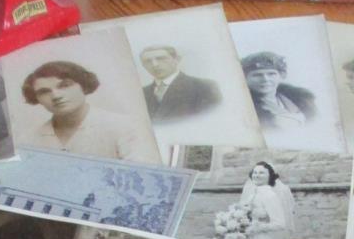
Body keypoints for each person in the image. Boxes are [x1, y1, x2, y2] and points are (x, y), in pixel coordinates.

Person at [19, 60, 159, 162]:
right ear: (36, 98)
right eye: (44, 92)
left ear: (83, 86)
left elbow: (144, 179)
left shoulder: (126, 126)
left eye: (65, 86)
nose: (56, 96)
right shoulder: (29, 140)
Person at [235, 161, 295, 239]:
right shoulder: (252, 194)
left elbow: (280, 223)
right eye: (255, 172)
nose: (257, 175)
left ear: (269, 176)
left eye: (261, 173)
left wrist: (258, 227)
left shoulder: (270, 196)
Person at [140, 45, 222, 121]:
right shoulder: (140, 93)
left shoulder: (205, 87)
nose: (155, 65)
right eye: (148, 61)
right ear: (143, 65)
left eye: (161, 59)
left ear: (177, 59)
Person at [241, 52, 315, 133]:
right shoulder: (244, 107)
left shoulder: (300, 100)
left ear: (281, 76)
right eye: (257, 75)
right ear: (245, 78)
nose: (265, 79)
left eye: (271, 74)